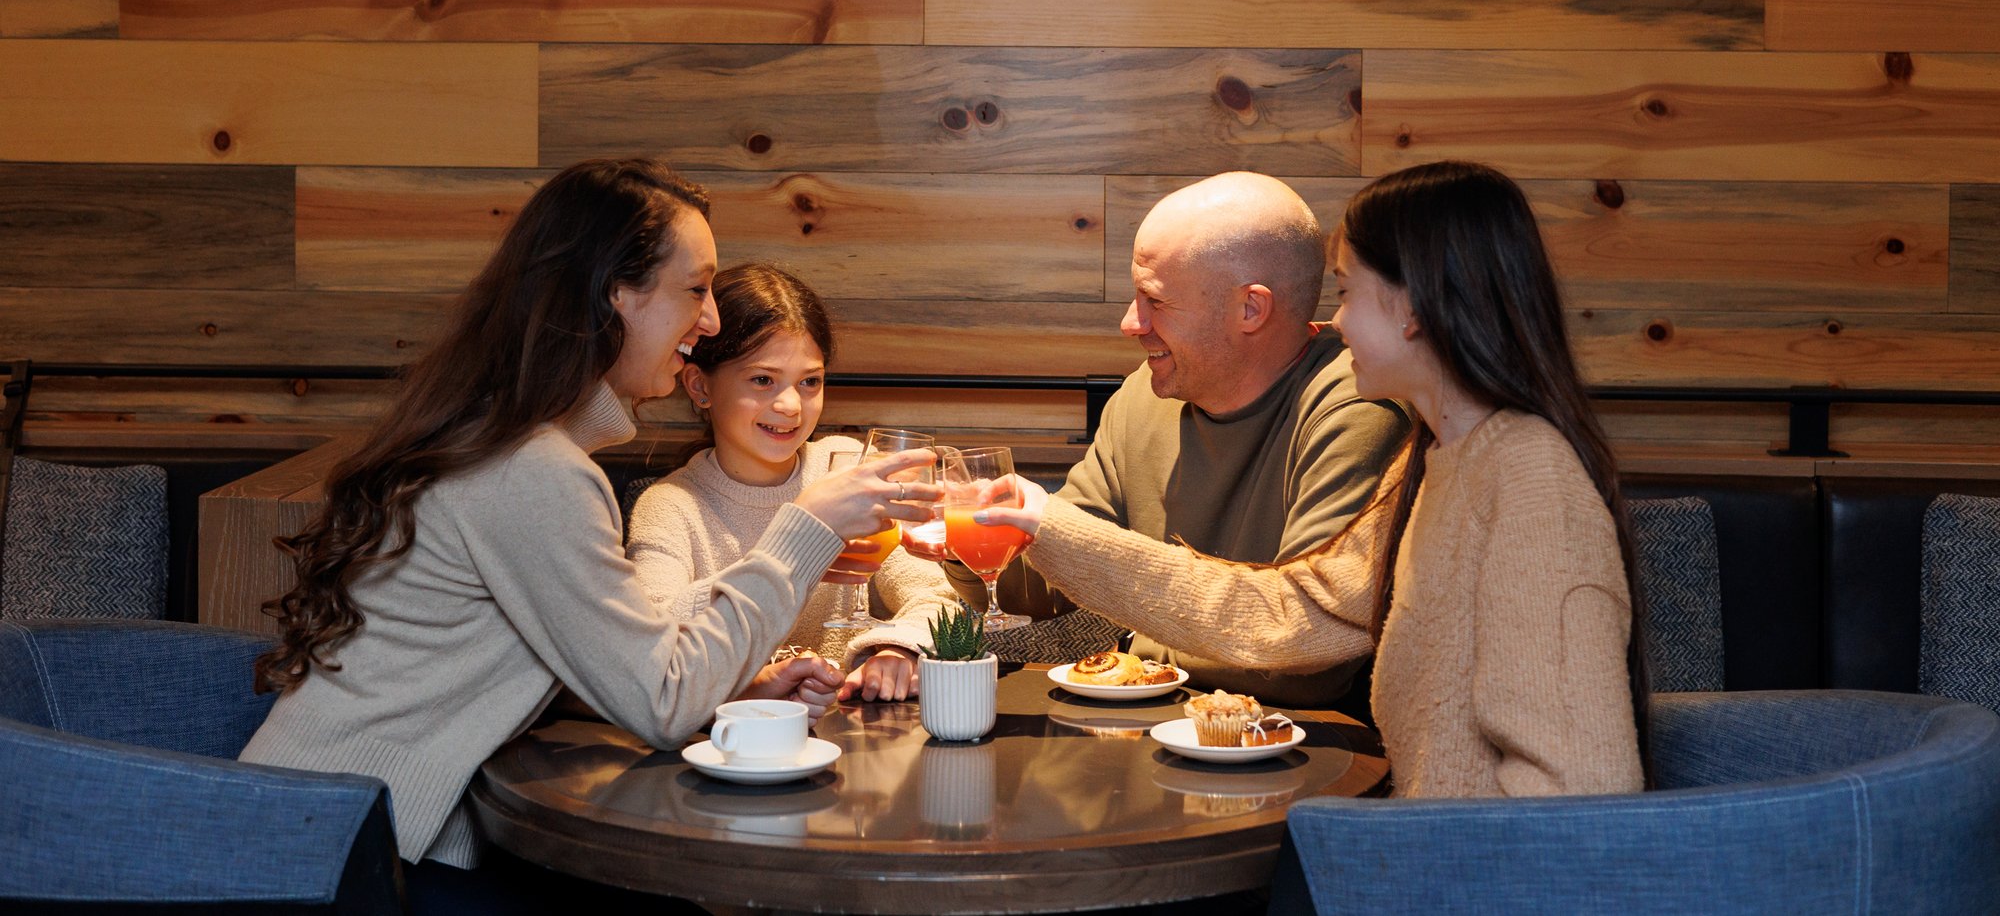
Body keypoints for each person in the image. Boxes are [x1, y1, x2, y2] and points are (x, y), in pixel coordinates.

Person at [239, 158, 939, 892]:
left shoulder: (510, 442)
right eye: (695, 289)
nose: (711, 322)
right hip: (347, 854)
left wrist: (732, 691)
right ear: (615, 296)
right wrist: (801, 531)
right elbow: (661, 703)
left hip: (344, 823)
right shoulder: (534, 471)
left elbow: (582, 658)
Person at [980, 161, 1648, 797]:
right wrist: (1038, 524)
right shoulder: (1440, 462)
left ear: (1413, 308)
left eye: (1349, 291)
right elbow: (1290, 615)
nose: (1334, 320)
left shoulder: (1533, 482)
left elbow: (1580, 795)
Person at [953, 171, 1409, 708]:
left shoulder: (1359, 408)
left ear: (1250, 309)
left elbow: (1304, 661)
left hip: (1291, 754)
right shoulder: (1144, 396)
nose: (1130, 323)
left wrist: (1141, 650)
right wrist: (965, 541)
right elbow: (1048, 587)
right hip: (1147, 739)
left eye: (1155, 301)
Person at [626, 263, 957, 703]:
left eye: (810, 382)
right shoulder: (670, 505)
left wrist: (897, 647)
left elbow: (939, 598)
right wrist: (794, 549)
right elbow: (652, 634)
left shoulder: (845, 472)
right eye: (762, 380)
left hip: (853, 737)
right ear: (699, 385)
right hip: (732, 748)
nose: (789, 406)